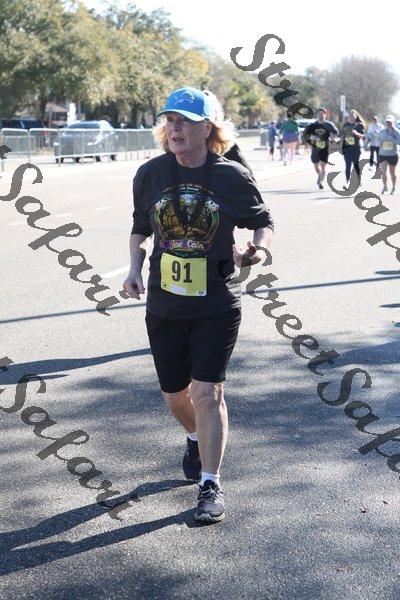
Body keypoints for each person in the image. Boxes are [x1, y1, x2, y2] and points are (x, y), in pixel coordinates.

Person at [122, 87, 274, 524]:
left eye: (185, 121)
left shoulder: (232, 176)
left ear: (207, 128)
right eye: (170, 120)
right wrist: (133, 268)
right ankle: (193, 436)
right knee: (176, 398)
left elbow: (262, 222)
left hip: (217, 303)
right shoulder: (150, 174)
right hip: (165, 304)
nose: (175, 129)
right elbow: (140, 228)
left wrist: (259, 251)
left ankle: (210, 483)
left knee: (208, 393)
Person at [303, 108, 338, 189]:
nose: (321, 115)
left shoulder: (329, 124)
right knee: (316, 165)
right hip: (315, 148)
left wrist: (332, 139)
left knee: (323, 166)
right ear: (317, 115)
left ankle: (321, 182)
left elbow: (335, 132)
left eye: (322, 114)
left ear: (325, 115)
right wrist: (312, 137)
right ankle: (320, 175)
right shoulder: (313, 125)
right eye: (319, 114)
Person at [341, 109, 365, 190]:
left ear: (356, 116)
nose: (350, 116)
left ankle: (359, 178)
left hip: (355, 149)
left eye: (352, 115)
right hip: (347, 149)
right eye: (349, 115)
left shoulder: (359, 125)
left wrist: (356, 133)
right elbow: (343, 137)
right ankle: (347, 183)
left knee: (356, 165)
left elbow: (363, 137)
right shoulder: (345, 125)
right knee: (347, 166)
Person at [377, 115, 400, 194]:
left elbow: (399, 142)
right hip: (383, 154)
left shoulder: (396, 131)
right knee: (383, 171)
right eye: (387, 122)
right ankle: (385, 187)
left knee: (392, 172)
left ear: (393, 122)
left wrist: (392, 139)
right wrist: (380, 142)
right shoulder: (382, 131)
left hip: (392, 155)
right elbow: (378, 140)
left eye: (390, 122)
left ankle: (393, 188)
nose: (388, 123)